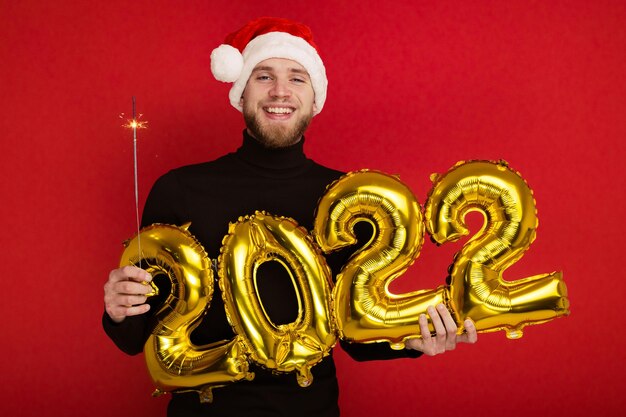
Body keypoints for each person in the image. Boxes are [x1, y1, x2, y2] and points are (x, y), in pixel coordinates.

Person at [103, 17, 477, 417]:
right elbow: (134, 337)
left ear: (315, 98)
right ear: (241, 91)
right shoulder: (178, 190)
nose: (280, 91)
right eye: (264, 76)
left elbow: (354, 334)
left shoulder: (346, 200)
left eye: (297, 78)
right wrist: (117, 309)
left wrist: (412, 341)